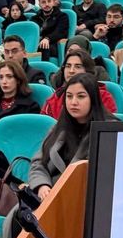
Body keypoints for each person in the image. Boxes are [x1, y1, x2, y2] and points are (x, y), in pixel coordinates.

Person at [28, 74, 113, 203]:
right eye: (69, 96)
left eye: (81, 96)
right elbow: (38, 163)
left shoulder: (108, 131)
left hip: (86, 200)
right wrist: (42, 185)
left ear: (93, 99)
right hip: (50, 197)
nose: (73, 102)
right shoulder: (58, 127)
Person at [41, 50, 117, 117]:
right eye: (68, 66)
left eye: (77, 67)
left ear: (88, 71)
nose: (71, 71)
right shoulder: (56, 97)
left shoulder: (103, 97)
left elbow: (106, 126)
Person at [0, 60, 40, 128]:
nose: (4, 82)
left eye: (9, 77)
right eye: (1, 77)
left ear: (18, 80)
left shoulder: (30, 107)